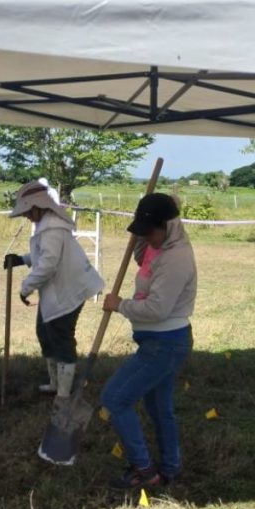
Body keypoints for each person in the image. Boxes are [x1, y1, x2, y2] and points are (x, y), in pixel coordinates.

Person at [100, 193, 197, 489]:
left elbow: (157, 309)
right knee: (158, 408)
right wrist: (142, 223)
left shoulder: (176, 257)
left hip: (165, 343)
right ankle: (170, 467)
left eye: (150, 231)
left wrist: (119, 305)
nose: (147, 238)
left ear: (168, 226)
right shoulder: (157, 246)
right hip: (158, 341)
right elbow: (142, 256)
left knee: (114, 400)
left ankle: (145, 471)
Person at [4, 181, 104, 397]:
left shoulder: (53, 229)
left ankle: (64, 394)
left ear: (38, 207)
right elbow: (44, 254)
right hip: (57, 291)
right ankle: (55, 384)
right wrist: (22, 259)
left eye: (28, 211)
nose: (26, 216)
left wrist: (25, 288)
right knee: (45, 333)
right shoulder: (47, 225)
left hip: (67, 292)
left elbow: (48, 264)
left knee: (61, 338)